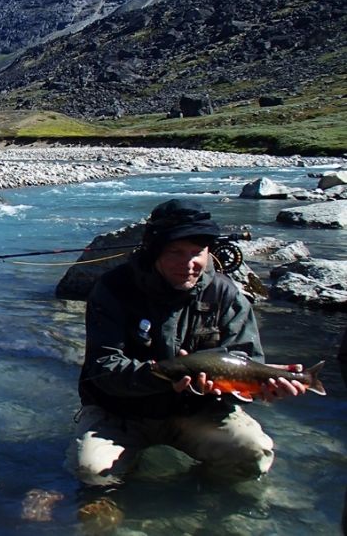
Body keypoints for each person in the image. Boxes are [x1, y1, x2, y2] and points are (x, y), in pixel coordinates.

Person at [68, 199, 306, 486]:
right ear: (154, 253)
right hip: (120, 411)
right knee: (94, 475)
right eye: (176, 253)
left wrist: (262, 384)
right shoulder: (113, 289)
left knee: (253, 455)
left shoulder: (225, 294)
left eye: (197, 253)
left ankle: (202, 499)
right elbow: (103, 368)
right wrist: (162, 376)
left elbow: (245, 360)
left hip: (198, 410)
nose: (189, 264)